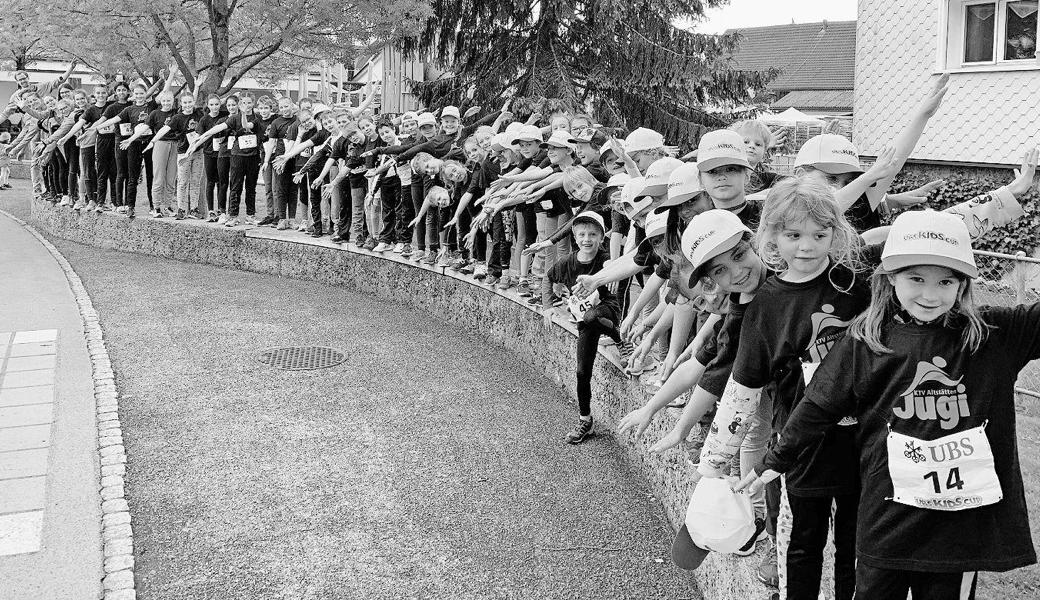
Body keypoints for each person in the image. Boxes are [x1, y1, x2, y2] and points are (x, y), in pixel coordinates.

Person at [737, 176, 1040, 598]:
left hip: (957, 530)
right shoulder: (866, 340)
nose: (930, 295)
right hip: (886, 520)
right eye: (916, 278)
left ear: (964, 285)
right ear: (889, 278)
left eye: (946, 282)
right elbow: (819, 406)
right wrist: (775, 459)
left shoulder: (992, 336)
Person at [541, 211, 623, 444]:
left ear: (601, 237)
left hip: (607, 310)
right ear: (575, 238)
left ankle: (619, 337)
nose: (587, 239)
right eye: (582, 235)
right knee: (581, 372)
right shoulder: (568, 262)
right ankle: (585, 420)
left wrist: (608, 272)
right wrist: (547, 306)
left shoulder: (605, 257)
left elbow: (612, 266)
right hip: (584, 319)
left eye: (593, 235)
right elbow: (548, 278)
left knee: (591, 316)